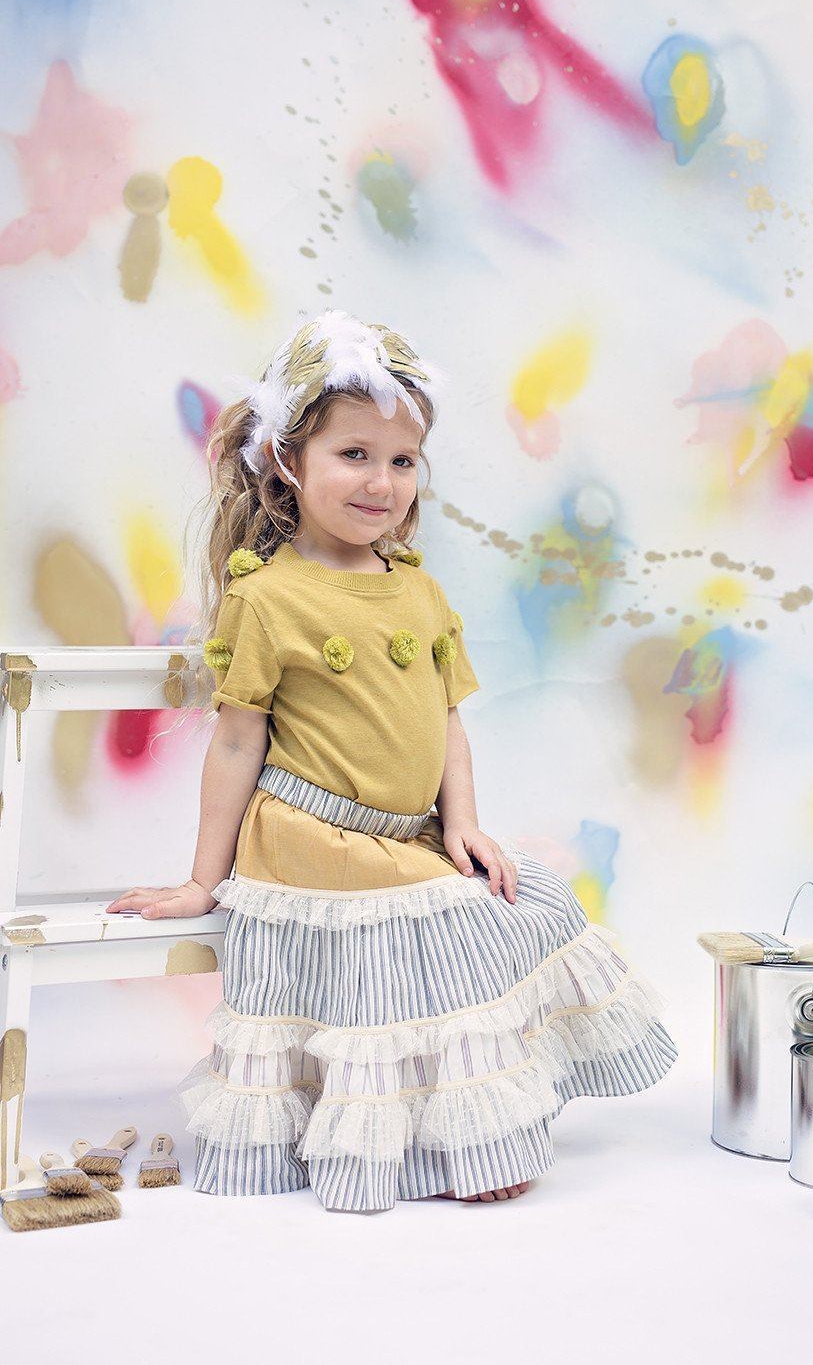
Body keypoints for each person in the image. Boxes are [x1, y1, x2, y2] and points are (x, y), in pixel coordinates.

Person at [106, 309, 677, 1212]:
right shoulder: (270, 597)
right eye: (354, 454)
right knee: (453, 928)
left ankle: (458, 1130)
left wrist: (463, 825)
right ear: (288, 461)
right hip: (311, 835)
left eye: (403, 460)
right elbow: (238, 742)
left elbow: (446, 721)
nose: (382, 482)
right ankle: (457, 1145)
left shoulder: (418, 589)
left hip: (405, 832)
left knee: (525, 897)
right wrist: (203, 882)